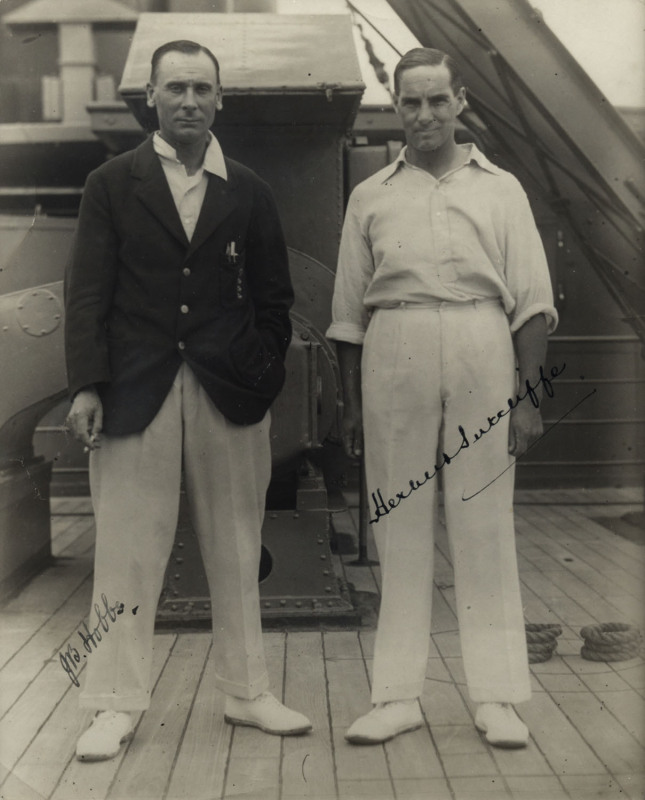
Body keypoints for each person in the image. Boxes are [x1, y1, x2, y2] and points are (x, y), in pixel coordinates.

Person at [65, 39, 312, 762]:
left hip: (225, 393)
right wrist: (86, 383)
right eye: (175, 88)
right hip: (132, 391)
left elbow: (275, 300)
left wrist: (258, 375)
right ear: (149, 96)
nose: (189, 101)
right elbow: (87, 294)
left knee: (237, 549)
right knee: (125, 554)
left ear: (220, 99)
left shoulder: (249, 189)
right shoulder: (111, 183)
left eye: (202, 88)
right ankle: (113, 703)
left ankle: (246, 691)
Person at [327, 47, 558, 748]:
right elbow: (345, 314)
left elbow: (531, 303)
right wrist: (349, 406)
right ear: (394, 107)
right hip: (392, 345)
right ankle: (396, 695)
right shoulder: (371, 195)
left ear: (459, 103)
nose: (423, 114)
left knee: (482, 520)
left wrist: (526, 399)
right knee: (397, 521)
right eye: (409, 102)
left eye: (435, 100)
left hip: (479, 342)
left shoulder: (502, 189)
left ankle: (496, 697)